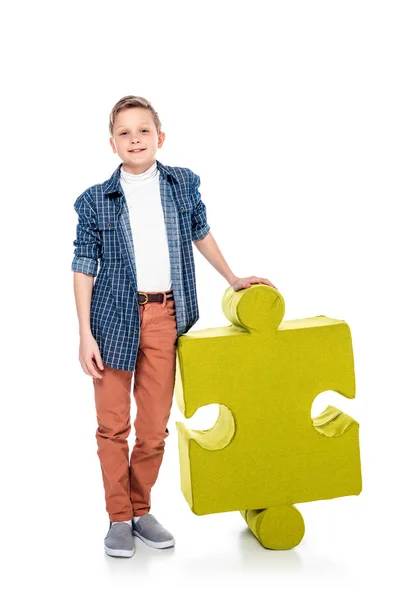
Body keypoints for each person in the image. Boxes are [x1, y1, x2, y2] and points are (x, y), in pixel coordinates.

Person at [71, 95, 277, 558]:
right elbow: (84, 265)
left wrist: (232, 277)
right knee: (111, 427)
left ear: (159, 138)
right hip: (112, 319)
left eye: (143, 130)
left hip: (166, 316)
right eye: (124, 133)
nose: (135, 138)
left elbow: (200, 231)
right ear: (112, 144)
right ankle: (118, 518)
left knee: (154, 428)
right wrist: (84, 333)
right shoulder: (95, 200)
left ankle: (141, 510)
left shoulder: (181, 184)